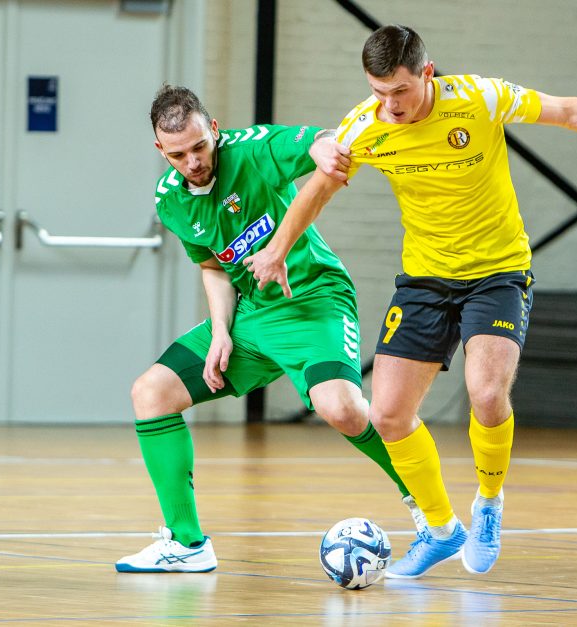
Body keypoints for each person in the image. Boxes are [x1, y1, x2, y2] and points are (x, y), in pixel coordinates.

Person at [244, 25, 577, 578]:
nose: (388, 105)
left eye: (398, 91)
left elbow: (570, 111)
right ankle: (443, 531)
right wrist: (277, 250)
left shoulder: (479, 98)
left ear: (426, 72)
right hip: (424, 280)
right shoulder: (364, 127)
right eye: (377, 92)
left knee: (487, 394)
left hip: (497, 272)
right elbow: (317, 190)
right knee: (390, 414)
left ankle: (489, 506)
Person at [115, 85, 424, 573]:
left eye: (199, 146)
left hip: (312, 300)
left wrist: (326, 146)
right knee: (151, 393)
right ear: (160, 150)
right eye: (178, 154)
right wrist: (220, 331)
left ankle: (426, 506)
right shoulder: (171, 202)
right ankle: (187, 544)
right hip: (250, 316)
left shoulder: (251, 149)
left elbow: (312, 142)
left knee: (342, 408)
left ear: (214, 130)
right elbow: (214, 267)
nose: (192, 161)